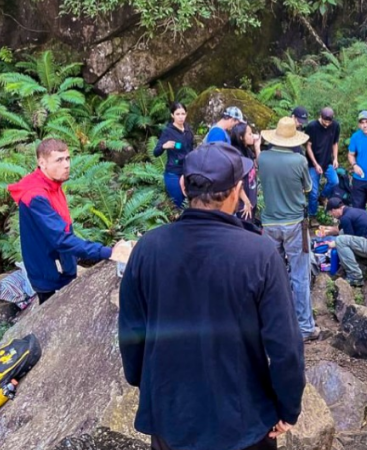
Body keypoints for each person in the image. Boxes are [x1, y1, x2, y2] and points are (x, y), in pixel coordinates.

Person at [119, 142, 305, 450]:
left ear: (183, 186)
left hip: (171, 417)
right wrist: (288, 407)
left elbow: (130, 332)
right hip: (243, 422)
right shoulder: (259, 253)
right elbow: (285, 345)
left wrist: (147, 384)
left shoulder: (148, 249)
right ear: (236, 191)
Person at [8, 138, 114, 305]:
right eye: (59, 160)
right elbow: (61, 239)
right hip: (49, 273)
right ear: (42, 163)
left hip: (59, 265)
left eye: (67, 158)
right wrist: (106, 252)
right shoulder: (35, 196)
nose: (66, 165)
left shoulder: (51, 183)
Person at [259, 117, 318, 341]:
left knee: (273, 275)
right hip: (294, 223)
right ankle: (304, 326)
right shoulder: (299, 160)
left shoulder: (262, 158)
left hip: (269, 223)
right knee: (299, 275)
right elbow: (308, 188)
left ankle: (274, 322)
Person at [322, 197, 367, 287]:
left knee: (340, 240)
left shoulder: (346, 218)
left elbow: (347, 238)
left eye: (331, 213)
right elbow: (344, 232)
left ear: (334, 210)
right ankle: (366, 261)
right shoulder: (352, 212)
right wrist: (330, 231)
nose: (332, 215)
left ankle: (355, 277)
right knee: (341, 235)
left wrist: (334, 244)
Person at [153, 102, 194, 208]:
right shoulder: (168, 131)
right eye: (177, 114)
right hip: (173, 173)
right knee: (180, 205)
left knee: (191, 204)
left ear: (186, 114)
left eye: (183, 114)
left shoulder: (188, 130)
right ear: (172, 115)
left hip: (188, 172)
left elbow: (191, 150)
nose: (181, 117)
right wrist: (163, 146)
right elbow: (156, 152)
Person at [305, 107, 340, 224]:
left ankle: (323, 196)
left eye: (329, 122)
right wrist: (315, 164)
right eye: (325, 121)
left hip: (327, 161)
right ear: (320, 116)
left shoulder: (335, 126)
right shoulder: (312, 126)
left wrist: (335, 158)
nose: (327, 124)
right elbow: (308, 146)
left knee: (335, 181)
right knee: (313, 191)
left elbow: (335, 143)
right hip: (313, 162)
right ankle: (312, 215)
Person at [230, 122, 261, 223]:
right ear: (241, 137)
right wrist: (246, 202)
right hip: (243, 205)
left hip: (251, 198)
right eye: (250, 134)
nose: (253, 136)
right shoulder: (236, 156)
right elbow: (236, 181)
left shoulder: (247, 150)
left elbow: (258, 165)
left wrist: (257, 147)